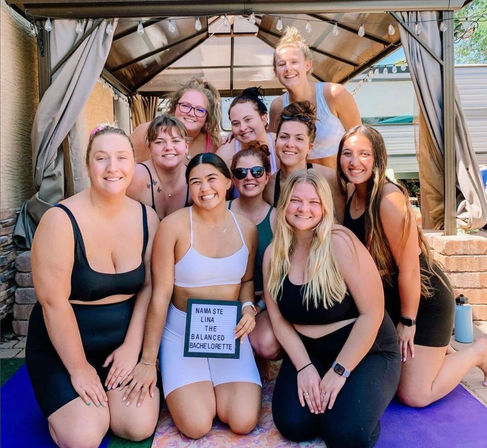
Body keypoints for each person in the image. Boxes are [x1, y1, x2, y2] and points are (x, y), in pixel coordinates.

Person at [26, 125, 160, 447]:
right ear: (88, 165)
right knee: (85, 434)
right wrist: (78, 368)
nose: (113, 168)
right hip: (63, 349)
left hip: (120, 346)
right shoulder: (59, 220)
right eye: (102, 158)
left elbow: (149, 289)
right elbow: (53, 302)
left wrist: (132, 349)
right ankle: (75, 405)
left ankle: (104, 396)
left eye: (121, 158)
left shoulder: (148, 218)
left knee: (137, 425)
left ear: (134, 164)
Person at [337, 125, 487, 407]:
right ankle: (441, 353)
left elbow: (409, 268)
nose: (354, 162)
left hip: (423, 298)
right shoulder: (349, 192)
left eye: (363, 154)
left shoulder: (388, 199)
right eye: (347, 154)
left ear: (378, 158)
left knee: (414, 394)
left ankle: (479, 351)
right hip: (388, 299)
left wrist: (408, 321)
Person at [122, 153, 262, 439]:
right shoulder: (172, 226)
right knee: (196, 426)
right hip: (180, 333)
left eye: (211, 179)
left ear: (227, 182)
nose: (204, 188)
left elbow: (247, 280)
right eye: (195, 182)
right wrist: (148, 361)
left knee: (243, 420)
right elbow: (160, 295)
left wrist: (248, 308)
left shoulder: (246, 228)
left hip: (228, 335)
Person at [263, 169, 400, 446]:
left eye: (314, 202)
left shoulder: (340, 242)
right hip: (310, 352)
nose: (304, 209)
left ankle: (359, 401)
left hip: (365, 350)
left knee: (345, 434)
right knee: (294, 425)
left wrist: (339, 372)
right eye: (296, 201)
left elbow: (372, 313)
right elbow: (278, 320)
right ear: (284, 205)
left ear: (325, 207)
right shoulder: (274, 254)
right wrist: (304, 368)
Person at [269, 27, 361, 169]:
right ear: (275, 71)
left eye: (294, 62)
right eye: (282, 64)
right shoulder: (278, 106)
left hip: (339, 186)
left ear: (307, 65)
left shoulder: (334, 94)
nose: (288, 68)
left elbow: (361, 141)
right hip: (300, 186)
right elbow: (272, 147)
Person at [228, 142, 280, 360]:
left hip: (263, 303)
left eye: (257, 171)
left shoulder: (277, 219)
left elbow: (283, 274)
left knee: (267, 344)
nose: (249, 177)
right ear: (232, 179)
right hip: (225, 301)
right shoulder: (220, 212)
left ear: (267, 176)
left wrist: (257, 306)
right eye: (241, 172)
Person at [264, 101, 345, 223]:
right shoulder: (269, 186)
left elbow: (343, 224)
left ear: (310, 147)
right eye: (284, 137)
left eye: (299, 139)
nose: (290, 144)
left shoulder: (329, 179)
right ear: (276, 142)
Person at [127, 115, 190, 220]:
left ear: (186, 146)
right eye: (159, 142)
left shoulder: (194, 179)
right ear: (149, 147)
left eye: (175, 141)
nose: (168, 148)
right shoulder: (135, 177)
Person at [217, 87, 278, 175]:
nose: (242, 128)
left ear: (264, 119)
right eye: (236, 123)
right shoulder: (225, 154)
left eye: (248, 119)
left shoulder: (278, 145)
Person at [167, 78, 222, 158]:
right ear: (175, 107)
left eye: (200, 110)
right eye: (185, 106)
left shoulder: (215, 145)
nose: (191, 113)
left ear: (207, 117)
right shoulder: (148, 134)